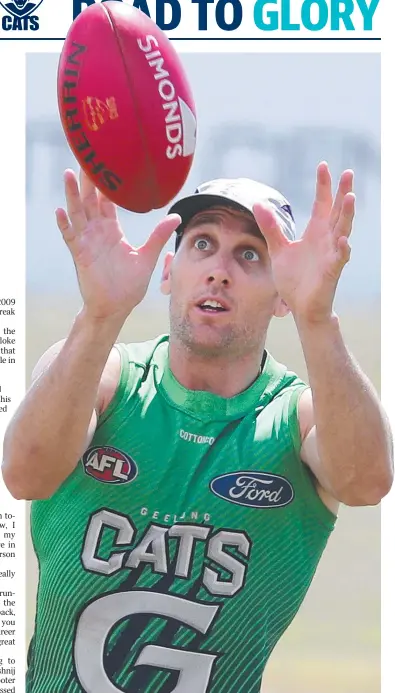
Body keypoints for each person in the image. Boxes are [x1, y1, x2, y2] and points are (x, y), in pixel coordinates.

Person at [2, 163, 393, 693]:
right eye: (202, 244)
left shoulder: (293, 417)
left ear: (282, 295)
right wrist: (100, 315)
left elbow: (368, 481)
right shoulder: (104, 378)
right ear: (169, 271)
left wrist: (317, 319)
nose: (220, 270)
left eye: (250, 255)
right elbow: (25, 474)